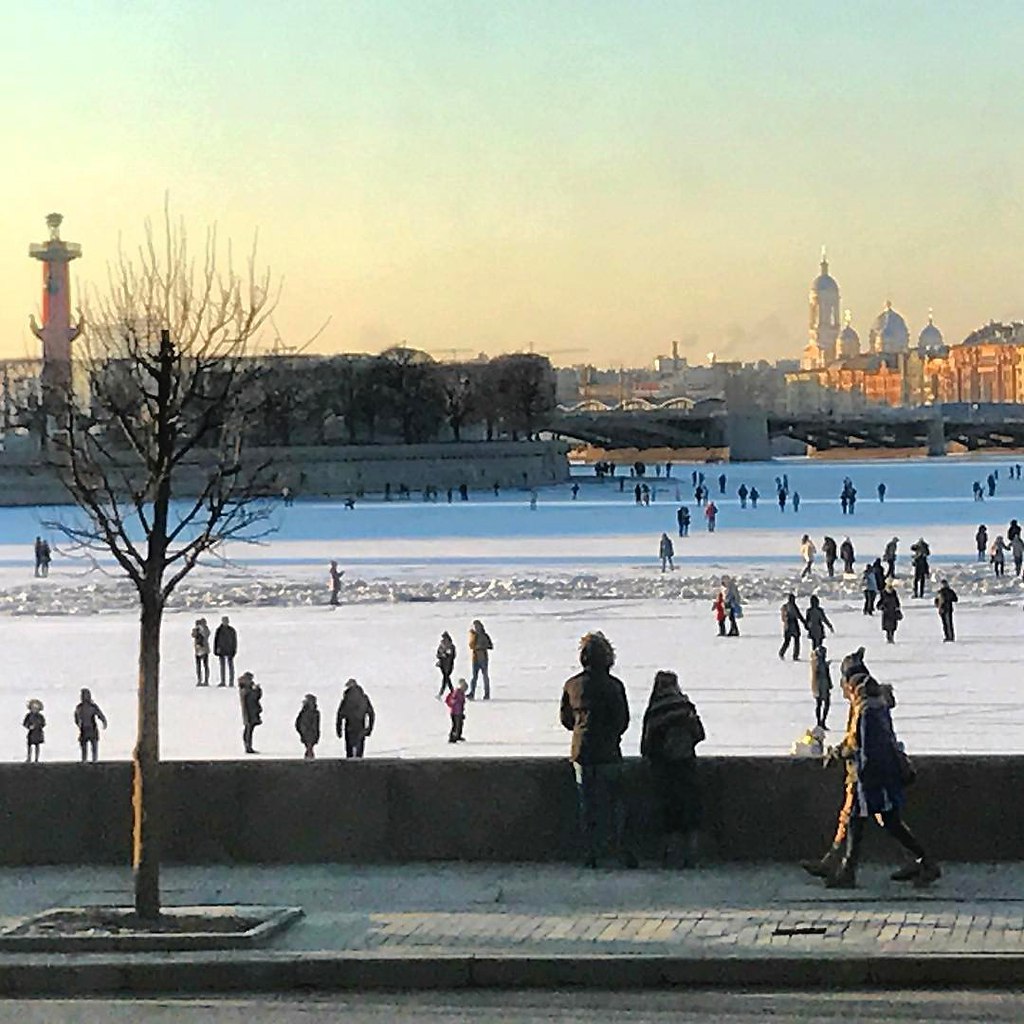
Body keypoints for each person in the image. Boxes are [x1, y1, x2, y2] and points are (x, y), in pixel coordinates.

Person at [825, 671, 940, 889]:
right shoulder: (878, 706)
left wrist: (855, 766)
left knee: (872, 821)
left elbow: (865, 747)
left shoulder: (867, 711)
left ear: (853, 688)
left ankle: (924, 864)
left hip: (873, 778)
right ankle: (921, 863)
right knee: (876, 821)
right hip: (880, 775)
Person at [560, 631, 636, 869]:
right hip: (609, 752)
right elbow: (622, 720)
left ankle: (591, 853)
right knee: (615, 803)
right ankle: (620, 849)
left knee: (588, 805)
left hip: (582, 751)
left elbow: (565, 719)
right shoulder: (614, 686)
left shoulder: (572, 685)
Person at [640, 670, 705, 867]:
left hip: (664, 768)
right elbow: (700, 734)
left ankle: (670, 857)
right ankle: (692, 855)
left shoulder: (655, 709)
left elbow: (647, 745)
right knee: (690, 811)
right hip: (687, 765)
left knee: (669, 812)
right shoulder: (685, 706)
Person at [336, 678, 375, 758]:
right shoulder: (364, 698)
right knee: (359, 751)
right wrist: (369, 728)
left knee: (349, 752)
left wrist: (339, 730)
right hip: (361, 726)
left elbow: (340, 715)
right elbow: (371, 714)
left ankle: (350, 767)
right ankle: (360, 766)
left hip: (349, 726)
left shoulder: (347, 698)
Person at [74, 688, 107, 763]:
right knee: (84, 746)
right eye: (82, 695)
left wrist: (104, 722)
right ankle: (84, 759)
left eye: (85, 695)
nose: (83, 697)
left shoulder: (93, 706)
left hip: (92, 728)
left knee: (94, 745)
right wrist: (78, 723)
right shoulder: (79, 707)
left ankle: (94, 759)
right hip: (84, 728)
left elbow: (100, 714)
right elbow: (76, 716)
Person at [468, 620, 493, 700]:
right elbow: (471, 645)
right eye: (475, 626)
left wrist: (482, 646)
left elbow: (490, 645)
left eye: (477, 626)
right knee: (474, 676)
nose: (476, 628)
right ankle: (472, 693)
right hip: (475, 658)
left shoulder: (484, 635)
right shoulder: (473, 635)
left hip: (483, 658)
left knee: (485, 676)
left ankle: (487, 694)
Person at [238, 672, 262, 754]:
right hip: (250, 712)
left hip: (250, 711)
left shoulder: (244, 688)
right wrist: (257, 690)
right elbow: (253, 698)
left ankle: (248, 745)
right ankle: (248, 746)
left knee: (249, 729)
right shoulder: (246, 689)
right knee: (249, 729)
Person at [810, 645, 832, 730]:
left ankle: (821, 722)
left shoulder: (819, 661)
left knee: (824, 704)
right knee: (820, 704)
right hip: (820, 686)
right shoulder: (816, 662)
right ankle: (820, 722)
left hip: (824, 685)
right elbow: (817, 673)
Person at [779, 593, 807, 661]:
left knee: (787, 641)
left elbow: (783, 618)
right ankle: (795, 655)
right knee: (796, 640)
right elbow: (798, 615)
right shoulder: (793, 606)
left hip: (787, 626)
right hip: (793, 625)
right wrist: (805, 623)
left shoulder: (784, 607)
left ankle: (782, 653)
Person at [214, 616, 238, 687]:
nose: (225, 622)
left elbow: (234, 641)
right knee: (222, 666)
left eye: (226, 621)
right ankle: (223, 681)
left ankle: (231, 681)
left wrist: (234, 649)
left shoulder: (232, 630)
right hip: (221, 650)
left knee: (230, 666)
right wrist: (215, 649)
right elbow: (216, 640)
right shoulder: (219, 630)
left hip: (230, 650)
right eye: (224, 621)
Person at [295, 693, 320, 759]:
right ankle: (309, 757)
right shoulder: (306, 712)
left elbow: (316, 724)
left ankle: (309, 757)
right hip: (307, 732)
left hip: (309, 732)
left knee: (309, 746)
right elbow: (298, 722)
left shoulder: (308, 712)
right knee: (309, 746)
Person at [23, 698, 45, 763]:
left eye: (36, 708)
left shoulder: (40, 716)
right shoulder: (29, 716)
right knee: (29, 745)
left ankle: (36, 759)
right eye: (33, 707)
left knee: (37, 746)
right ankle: (29, 758)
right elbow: (25, 723)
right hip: (31, 733)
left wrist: (39, 726)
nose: (35, 709)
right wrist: (29, 727)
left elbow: (43, 723)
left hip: (38, 732)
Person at [436, 630, 456, 697]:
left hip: (449, 665)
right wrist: (441, 655)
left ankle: (442, 693)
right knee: (446, 678)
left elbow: (452, 655)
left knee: (446, 678)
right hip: (442, 665)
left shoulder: (451, 646)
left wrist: (445, 655)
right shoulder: (441, 645)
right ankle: (452, 692)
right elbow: (438, 654)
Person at [191, 617, 211, 686]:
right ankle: (199, 679)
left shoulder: (206, 629)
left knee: (205, 666)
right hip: (198, 650)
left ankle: (206, 680)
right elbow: (193, 635)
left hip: (204, 650)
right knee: (198, 666)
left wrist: (202, 630)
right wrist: (196, 630)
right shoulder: (196, 629)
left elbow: (207, 634)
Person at [446, 678, 467, 743]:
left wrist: (462, 712)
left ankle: (458, 736)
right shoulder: (457, 692)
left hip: (459, 712)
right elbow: (452, 700)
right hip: (455, 713)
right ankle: (452, 737)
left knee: (460, 725)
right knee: (456, 725)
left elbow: (462, 704)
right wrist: (454, 702)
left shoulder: (462, 694)